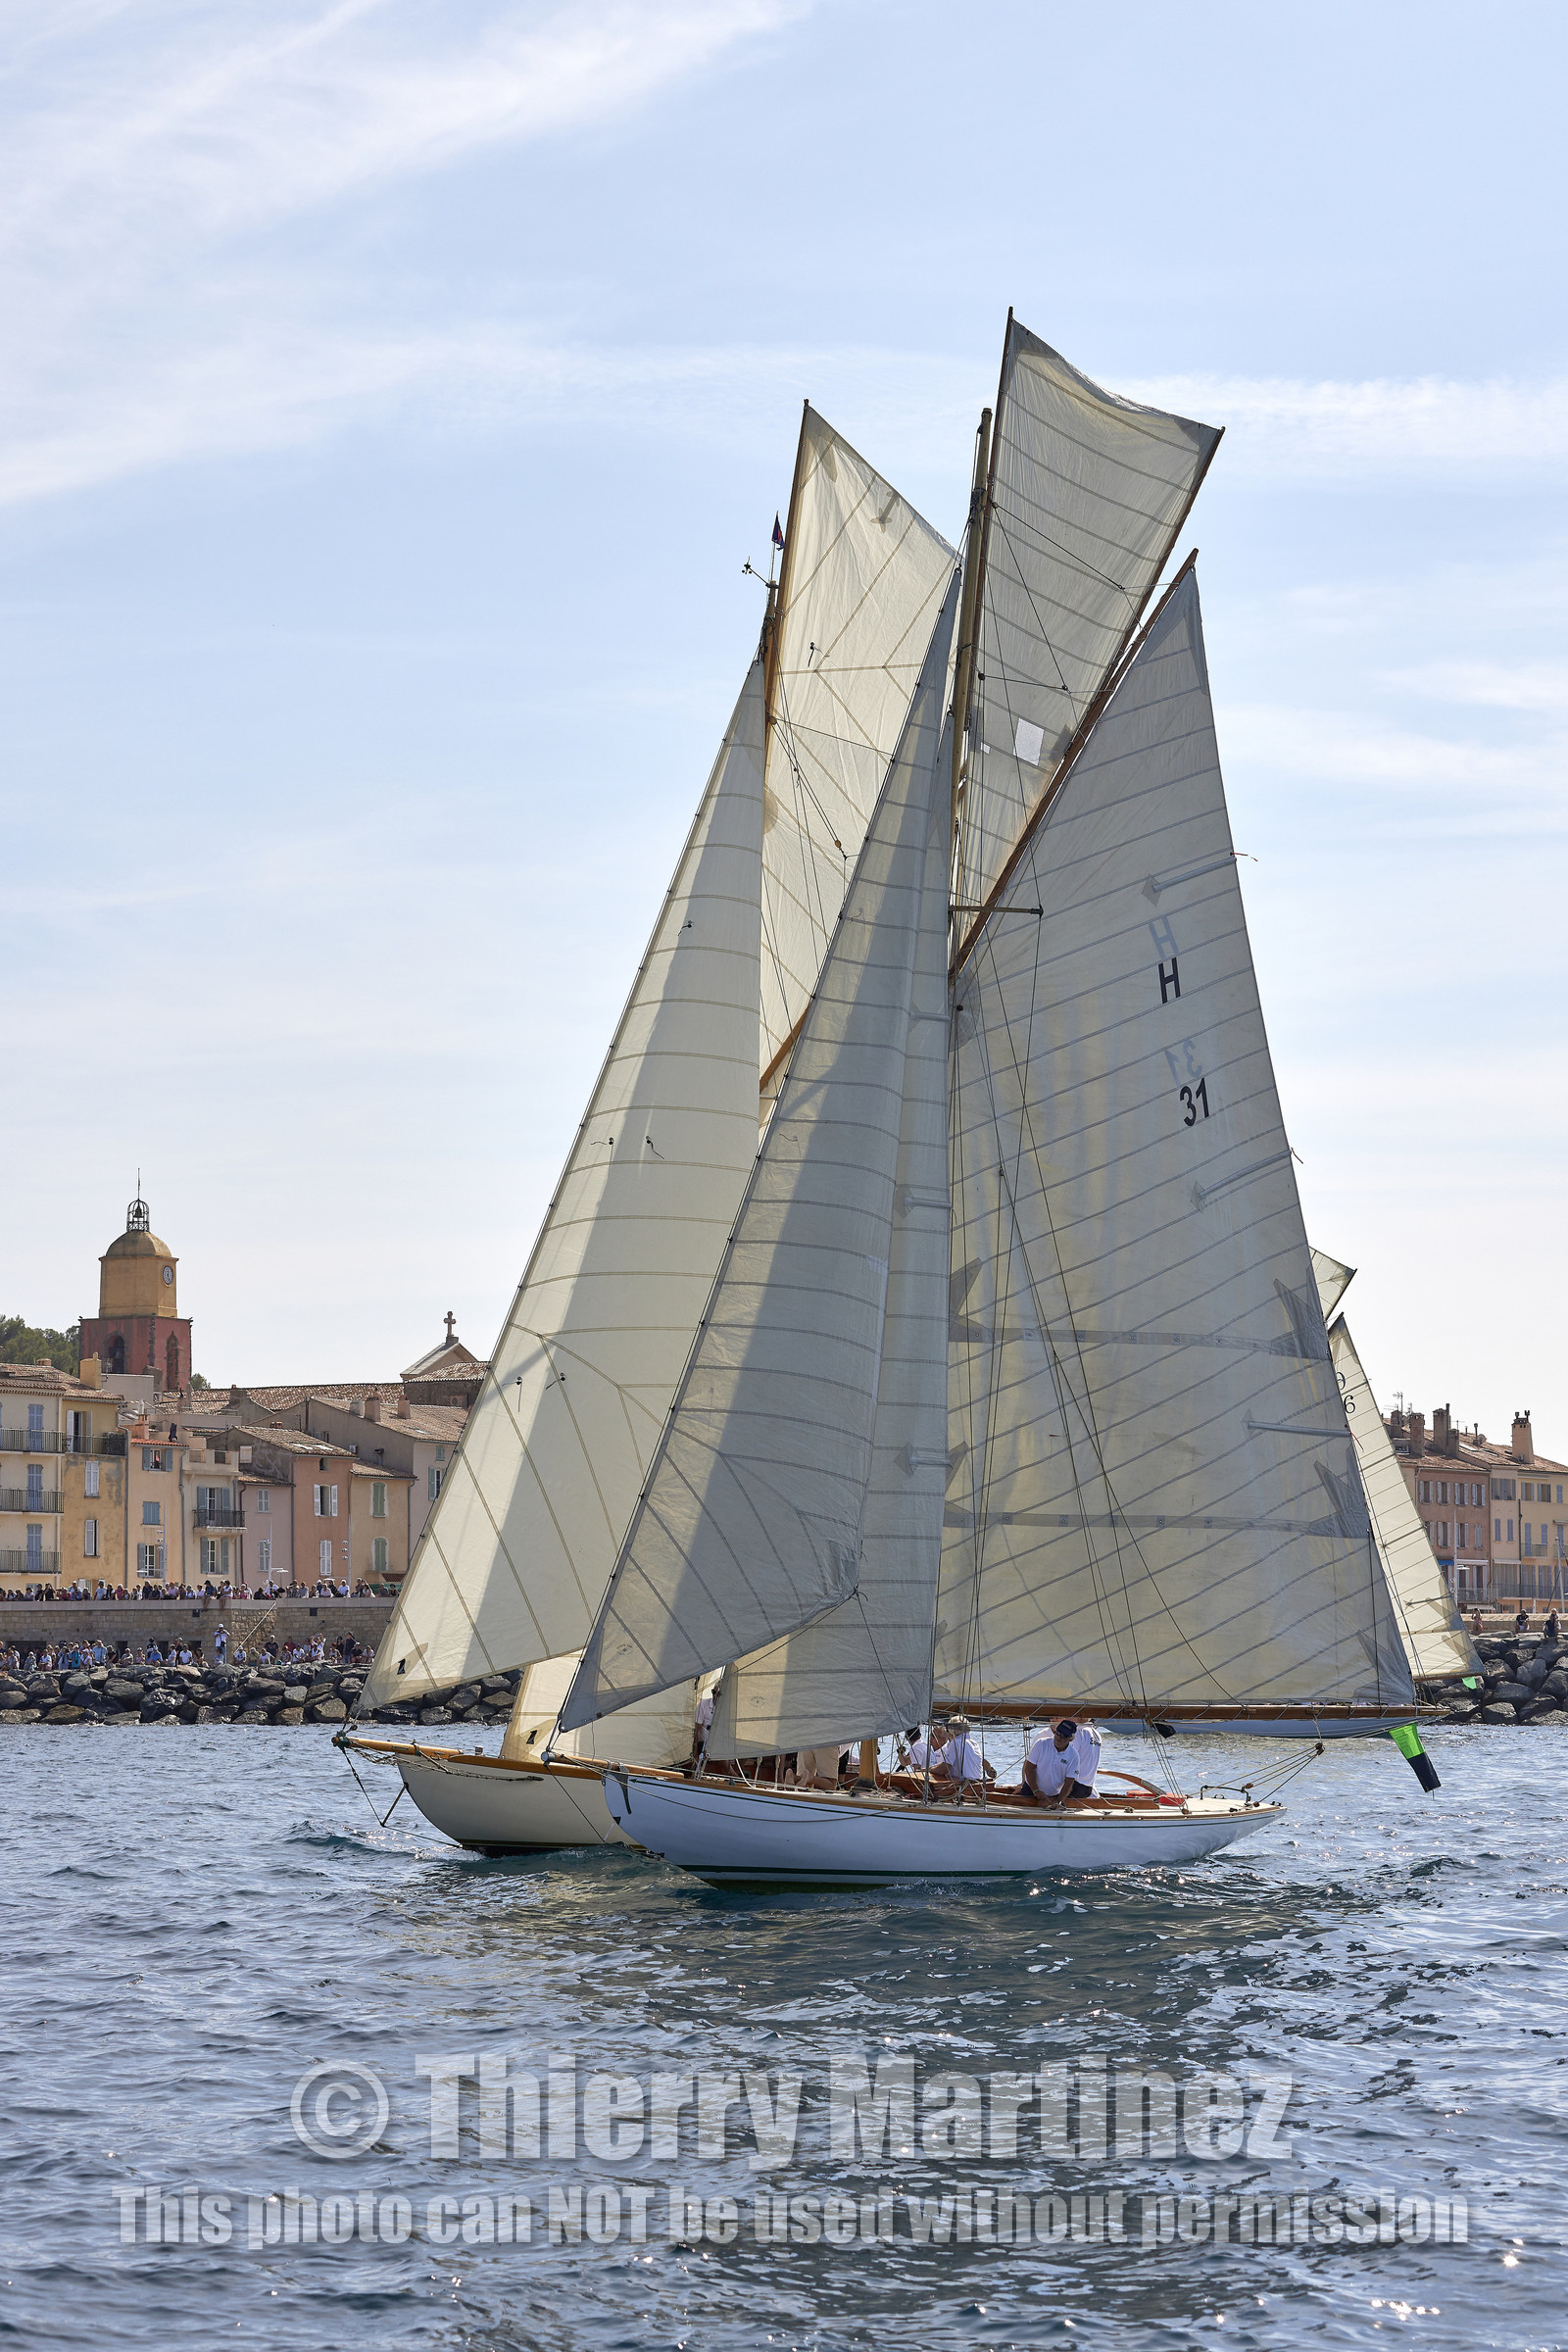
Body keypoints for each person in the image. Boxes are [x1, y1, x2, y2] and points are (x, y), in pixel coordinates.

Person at [1024, 1717, 1102, 1802]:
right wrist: (1036, 1790)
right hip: (1032, 1790)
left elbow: (1070, 1780)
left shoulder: (1075, 1748)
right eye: (1058, 1733)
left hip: (1063, 1791)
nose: (1059, 1738)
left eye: (1064, 1736)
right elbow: (1028, 1767)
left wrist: (1059, 1800)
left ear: (1070, 1739)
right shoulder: (1040, 1743)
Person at [934, 1716, 996, 1794]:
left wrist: (927, 1770)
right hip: (976, 1786)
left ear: (951, 1730)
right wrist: (989, 1769)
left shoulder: (956, 1743)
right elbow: (983, 1761)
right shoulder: (974, 1743)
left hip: (962, 1788)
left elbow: (944, 1769)